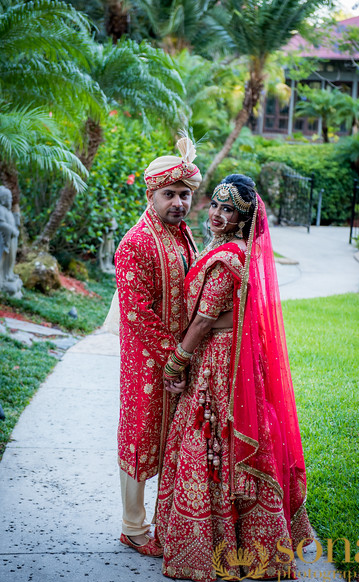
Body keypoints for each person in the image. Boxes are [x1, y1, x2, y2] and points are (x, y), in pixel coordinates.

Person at [157, 174, 313, 582]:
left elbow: (206, 318)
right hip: (234, 354)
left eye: (230, 210)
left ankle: (216, 545)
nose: (218, 215)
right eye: (215, 205)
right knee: (225, 437)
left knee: (210, 436)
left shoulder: (228, 257)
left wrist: (177, 361)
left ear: (244, 218)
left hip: (218, 357)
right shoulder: (233, 250)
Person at [115, 137, 202, 557]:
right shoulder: (136, 243)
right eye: (169, 194)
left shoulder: (182, 235)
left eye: (184, 194)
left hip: (180, 357)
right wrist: (175, 357)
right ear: (151, 194)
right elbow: (138, 315)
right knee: (141, 437)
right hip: (148, 362)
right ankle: (133, 527)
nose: (179, 202)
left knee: (175, 439)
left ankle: (165, 522)